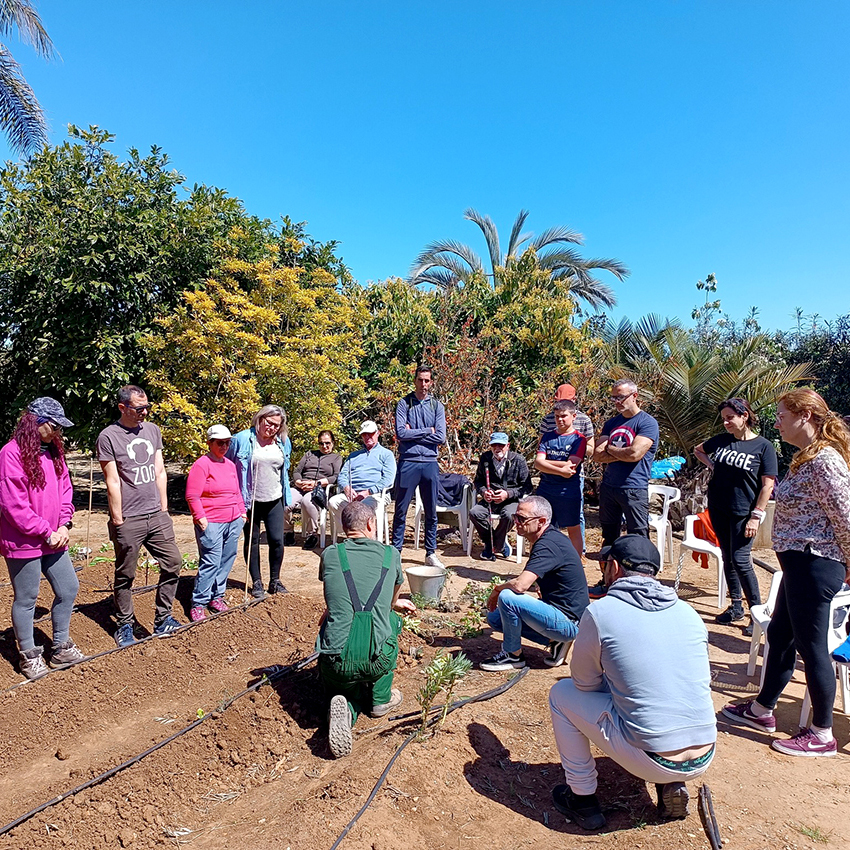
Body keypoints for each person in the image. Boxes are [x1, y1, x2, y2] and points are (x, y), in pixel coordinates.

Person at [549, 535, 716, 831]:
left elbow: (584, 684)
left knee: (561, 694)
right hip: (704, 753)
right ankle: (669, 784)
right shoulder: (689, 613)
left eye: (603, 565)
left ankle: (582, 798)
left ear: (612, 568)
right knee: (656, 692)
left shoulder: (601, 612)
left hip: (651, 756)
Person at [722, 389, 850, 757]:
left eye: (782, 414)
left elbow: (845, 516)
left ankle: (822, 733)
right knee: (780, 635)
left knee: (812, 648)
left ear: (805, 415)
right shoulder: (805, 459)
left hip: (815, 563)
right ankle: (762, 710)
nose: (776, 420)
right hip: (798, 563)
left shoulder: (825, 460)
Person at [317, 501, 416, 758]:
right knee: (392, 621)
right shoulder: (391, 555)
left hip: (335, 660)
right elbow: (391, 602)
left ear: (342, 527)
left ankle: (346, 706)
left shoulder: (330, 554)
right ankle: (380, 699)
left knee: (344, 681)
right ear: (371, 524)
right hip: (377, 659)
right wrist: (394, 605)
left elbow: (333, 598)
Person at [0, 398, 85, 679]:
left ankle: (60, 647)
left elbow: (65, 490)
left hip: (54, 538)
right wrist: (45, 531)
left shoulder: (54, 452)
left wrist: (64, 525)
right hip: (24, 539)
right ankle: (29, 656)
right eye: (53, 426)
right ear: (34, 422)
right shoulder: (10, 454)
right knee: (27, 598)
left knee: (68, 588)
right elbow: (14, 506)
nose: (57, 432)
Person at [98, 385, 183, 647]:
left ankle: (163, 617)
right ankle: (125, 623)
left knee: (173, 562)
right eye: (138, 408)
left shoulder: (152, 430)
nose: (144, 412)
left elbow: (159, 471)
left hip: (156, 514)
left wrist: (164, 509)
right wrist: (118, 519)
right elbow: (112, 480)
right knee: (126, 574)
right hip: (129, 518)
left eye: (147, 407)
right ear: (122, 407)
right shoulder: (108, 436)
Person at [694, 398, 778, 635]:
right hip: (719, 507)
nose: (726, 422)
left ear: (745, 416)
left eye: (730, 417)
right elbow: (698, 450)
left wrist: (756, 515)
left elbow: (767, 485)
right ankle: (736, 607)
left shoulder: (763, 446)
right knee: (727, 557)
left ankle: (757, 614)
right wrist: (713, 466)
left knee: (741, 560)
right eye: (724, 418)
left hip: (744, 513)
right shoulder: (722, 441)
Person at [481, 495, 589, 671]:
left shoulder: (548, 544)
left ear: (541, 521)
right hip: (565, 616)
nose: (516, 522)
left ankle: (512, 655)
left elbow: (521, 585)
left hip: (569, 622)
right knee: (496, 618)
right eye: (515, 517)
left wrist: (497, 589)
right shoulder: (547, 538)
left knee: (508, 597)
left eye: (522, 519)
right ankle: (556, 641)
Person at [227, 404, 292, 599]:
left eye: (276, 426)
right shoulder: (242, 439)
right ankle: (256, 581)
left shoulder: (282, 442)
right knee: (252, 540)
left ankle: (275, 580)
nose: (271, 428)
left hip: (274, 497)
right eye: (269, 423)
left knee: (277, 540)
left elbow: (284, 470)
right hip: (249, 500)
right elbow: (229, 466)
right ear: (260, 418)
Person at [185, 425, 247, 621]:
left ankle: (217, 596)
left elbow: (236, 492)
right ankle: (199, 602)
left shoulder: (229, 465)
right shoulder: (202, 465)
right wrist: (200, 518)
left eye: (228, 443)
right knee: (211, 561)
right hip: (211, 520)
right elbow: (192, 495)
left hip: (233, 519)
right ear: (209, 443)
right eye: (220, 443)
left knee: (227, 558)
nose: (224, 446)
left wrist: (242, 513)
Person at [391, 366, 447, 567]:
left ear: (431, 382)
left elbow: (440, 437)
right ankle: (396, 551)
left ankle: (430, 552)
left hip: (430, 463)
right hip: (408, 462)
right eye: (421, 380)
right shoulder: (404, 404)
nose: (424, 384)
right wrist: (428, 430)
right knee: (401, 509)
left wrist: (414, 432)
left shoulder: (437, 406)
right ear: (415, 380)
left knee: (431, 511)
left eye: (427, 381)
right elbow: (401, 434)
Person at [593, 379, 659, 546]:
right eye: (613, 398)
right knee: (608, 535)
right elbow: (598, 455)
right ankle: (609, 570)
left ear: (634, 396)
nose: (617, 402)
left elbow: (635, 454)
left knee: (638, 535)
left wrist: (611, 449)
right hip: (609, 487)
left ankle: (641, 570)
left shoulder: (647, 422)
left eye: (620, 397)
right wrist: (625, 453)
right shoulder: (611, 423)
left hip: (634, 488)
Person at [539, 383, 595, 546]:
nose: (560, 419)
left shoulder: (584, 420)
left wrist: (575, 452)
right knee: (548, 518)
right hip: (549, 479)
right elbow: (540, 451)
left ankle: (580, 551)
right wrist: (557, 464)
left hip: (573, 474)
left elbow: (590, 447)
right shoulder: (548, 419)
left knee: (576, 516)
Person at [535, 399, 588, 557]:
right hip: (546, 489)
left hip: (568, 492)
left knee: (573, 528)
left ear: (574, 416)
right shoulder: (547, 437)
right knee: (543, 528)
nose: (560, 419)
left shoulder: (579, 439)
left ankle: (576, 564)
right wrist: (559, 467)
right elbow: (538, 463)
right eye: (557, 416)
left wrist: (547, 463)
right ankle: (544, 562)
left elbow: (571, 467)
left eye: (564, 416)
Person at [470, 431, 533, 561]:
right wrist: (484, 492)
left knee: (510, 515)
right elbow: (478, 481)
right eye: (494, 445)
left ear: (508, 445)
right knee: (474, 512)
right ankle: (498, 543)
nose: (497, 448)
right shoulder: (485, 458)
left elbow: (527, 487)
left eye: (501, 445)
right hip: (490, 500)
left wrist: (508, 494)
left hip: (511, 501)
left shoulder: (518, 460)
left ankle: (493, 546)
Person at [329, 420, 397, 537]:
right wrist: (346, 488)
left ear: (377, 433)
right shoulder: (353, 456)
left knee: (363, 506)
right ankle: (350, 535)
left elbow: (388, 479)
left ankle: (367, 539)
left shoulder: (386, 454)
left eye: (370, 433)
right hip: (352, 493)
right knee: (333, 502)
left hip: (375, 494)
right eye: (364, 434)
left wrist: (368, 492)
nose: (367, 437)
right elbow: (342, 475)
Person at [284, 430, 342, 549]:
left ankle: (312, 535)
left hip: (320, 489)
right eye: (321, 443)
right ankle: (287, 531)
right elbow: (297, 471)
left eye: (327, 443)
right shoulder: (310, 454)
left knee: (307, 501)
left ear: (333, 442)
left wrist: (317, 483)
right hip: (302, 486)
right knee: (285, 501)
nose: (324, 446)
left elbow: (336, 477)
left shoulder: (336, 457)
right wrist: (298, 482)